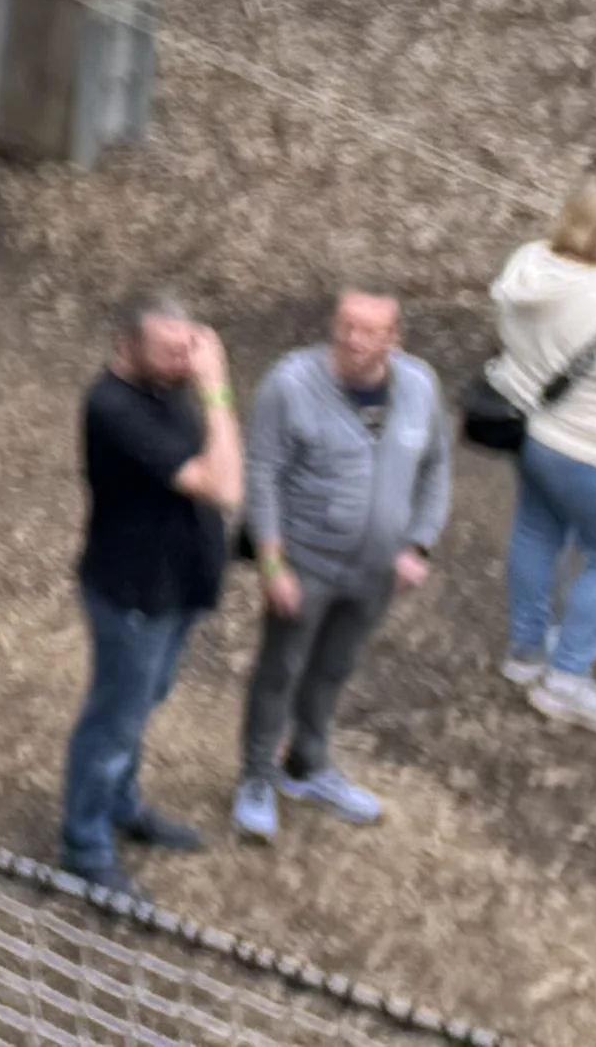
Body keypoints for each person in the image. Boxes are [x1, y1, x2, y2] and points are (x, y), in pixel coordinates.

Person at [233, 288, 450, 834]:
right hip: (306, 563)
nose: (353, 340)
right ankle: (256, 777)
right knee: (280, 669)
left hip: (375, 572)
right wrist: (272, 563)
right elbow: (262, 474)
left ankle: (307, 765)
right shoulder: (290, 384)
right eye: (345, 326)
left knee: (333, 668)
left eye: (368, 331)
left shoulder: (420, 386)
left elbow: (436, 467)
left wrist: (419, 543)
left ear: (394, 338)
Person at [63, 292, 242, 899]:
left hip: (175, 588)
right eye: (167, 352)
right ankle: (84, 846)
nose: (181, 364)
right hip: (132, 595)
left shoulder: (167, 391)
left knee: (141, 705)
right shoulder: (114, 407)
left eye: (188, 350)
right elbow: (224, 487)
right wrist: (217, 390)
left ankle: (121, 804)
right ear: (127, 345)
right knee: (113, 722)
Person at [494, 179, 596, 733]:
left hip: (534, 431)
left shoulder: (527, 267)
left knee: (537, 533)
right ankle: (566, 682)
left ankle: (525, 653)